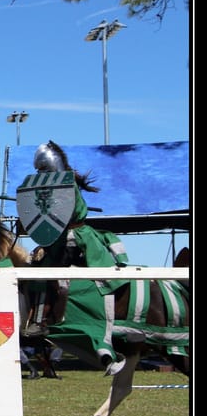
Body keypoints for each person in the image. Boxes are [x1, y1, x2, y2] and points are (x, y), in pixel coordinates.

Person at [24, 140, 129, 374]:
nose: (40, 173)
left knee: (95, 279)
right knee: (36, 273)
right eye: (38, 170)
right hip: (59, 238)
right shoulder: (52, 185)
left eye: (42, 169)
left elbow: (62, 213)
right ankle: (38, 321)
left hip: (78, 238)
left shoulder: (66, 184)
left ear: (52, 166)